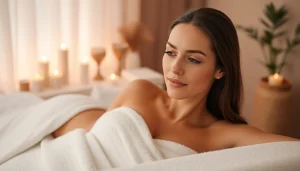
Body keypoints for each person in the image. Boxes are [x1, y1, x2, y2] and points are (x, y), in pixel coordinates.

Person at [53, 8, 298, 153]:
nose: (175, 68)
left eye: (193, 60)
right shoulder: (139, 91)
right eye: (170, 52)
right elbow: (88, 143)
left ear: (220, 70)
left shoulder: (222, 135)